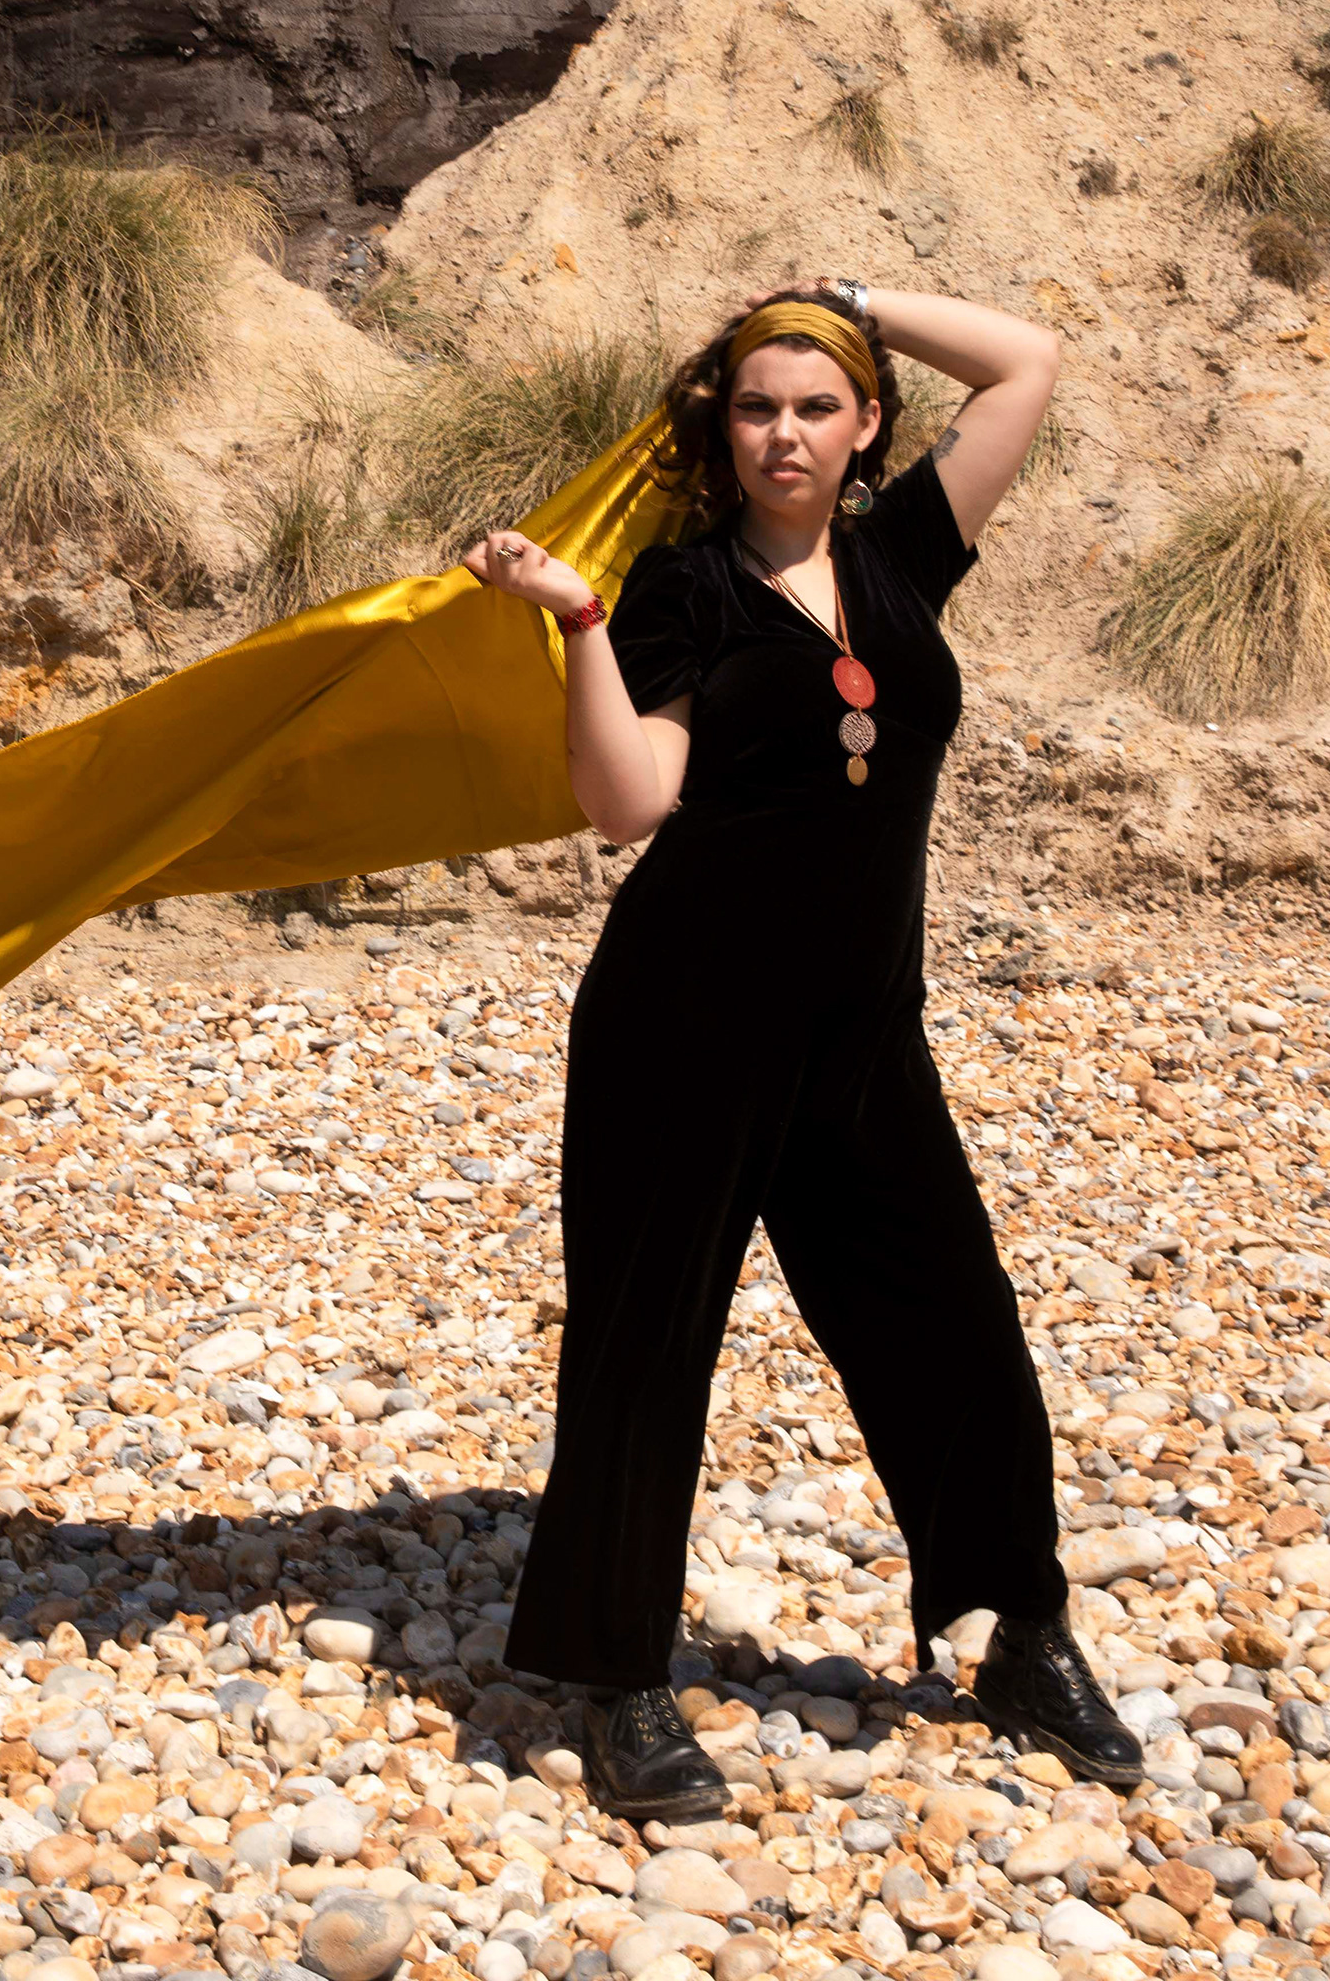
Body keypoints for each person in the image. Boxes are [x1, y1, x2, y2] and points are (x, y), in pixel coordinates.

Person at [458, 277, 1145, 1820]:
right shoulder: (682, 588)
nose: (785, 432)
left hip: (861, 1029)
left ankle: (1022, 1631)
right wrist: (576, 620)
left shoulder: (906, 554)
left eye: (817, 404)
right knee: (647, 1355)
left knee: (952, 1324)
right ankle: (621, 1678)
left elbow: (1028, 358)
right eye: (759, 405)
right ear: (726, 427)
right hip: (684, 1022)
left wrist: (837, 298)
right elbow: (629, 805)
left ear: (867, 423)